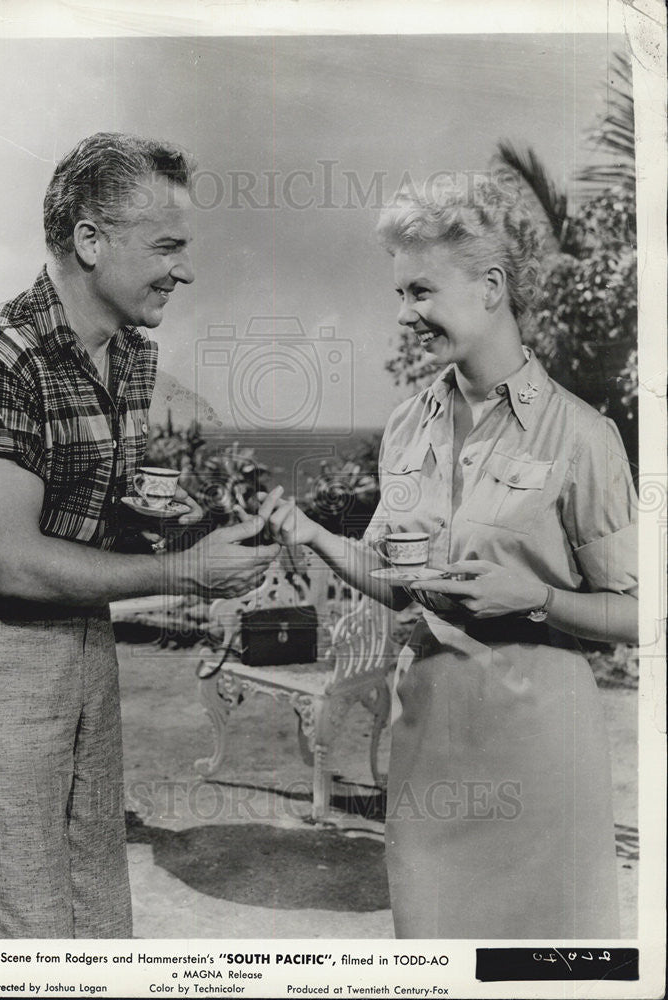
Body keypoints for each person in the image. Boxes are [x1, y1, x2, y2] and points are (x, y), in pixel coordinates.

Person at [0, 132, 281, 939]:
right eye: (166, 246)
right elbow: (13, 563)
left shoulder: (129, 358)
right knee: (29, 932)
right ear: (89, 239)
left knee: (97, 917)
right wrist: (186, 573)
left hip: (82, 639)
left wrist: (194, 527)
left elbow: (83, 516)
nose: (183, 270)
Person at [261, 174, 637, 938]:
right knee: (430, 964)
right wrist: (315, 536)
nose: (403, 315)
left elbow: (637, 613)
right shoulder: (407, 426)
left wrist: (530, 597)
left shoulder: (581, 436)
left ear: (490, 286)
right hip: (428, 747)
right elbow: (399, 586)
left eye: (420, 292)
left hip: (539, 756)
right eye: (400, 294)